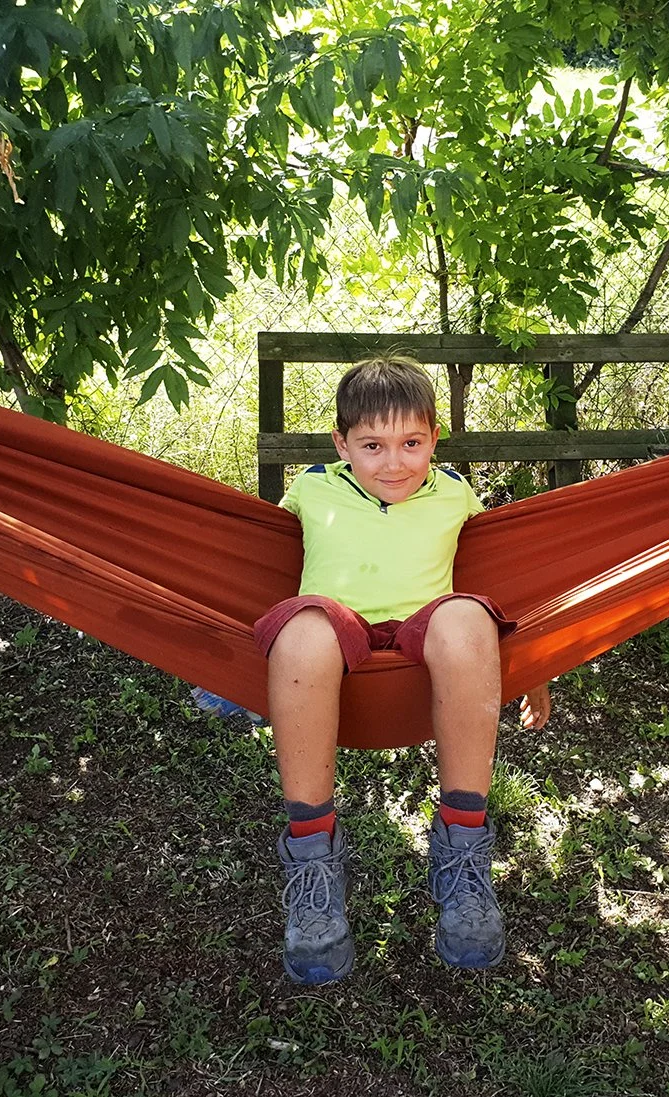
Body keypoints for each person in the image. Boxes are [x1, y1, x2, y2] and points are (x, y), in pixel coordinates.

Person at [249, 354, 551, 984]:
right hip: (337, 629)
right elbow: (248, 560)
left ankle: (464, 854)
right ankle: (313, 865)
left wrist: (534, 668)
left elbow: (499, 576)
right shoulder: (311, 489)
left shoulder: (455, 494)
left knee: (467, 616)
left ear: (435, 439)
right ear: (341, 444)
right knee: (303, 630)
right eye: (373, 445)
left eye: (413, 443)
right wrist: (224, 663)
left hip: (425, 635)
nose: (395, 463)